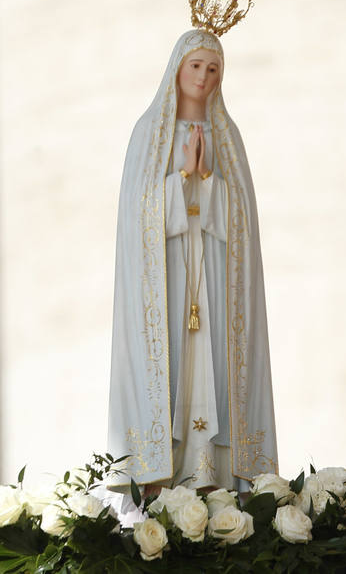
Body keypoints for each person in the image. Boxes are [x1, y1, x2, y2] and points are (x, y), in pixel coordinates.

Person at [107, 28, 277, 494]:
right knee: (174, 366)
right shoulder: (150, 132)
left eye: (214, 68)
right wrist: (181, 177)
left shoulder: (227, 136)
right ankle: (160, 482)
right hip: (169, 280)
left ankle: (219, 482)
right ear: (177, 69)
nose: (204, 76)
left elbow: (241, 220)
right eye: (196, 65)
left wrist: (208, 179)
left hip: (216, 280)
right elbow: (137, 219)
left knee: (216, 366)